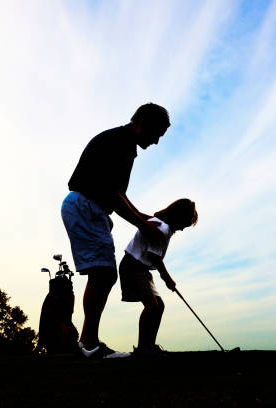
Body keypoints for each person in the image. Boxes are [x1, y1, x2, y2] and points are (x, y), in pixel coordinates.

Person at [61, 103, 170, 358]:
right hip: (86, 205)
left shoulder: (123, 143)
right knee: (103, 273)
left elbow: (118, 194)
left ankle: (88, 343)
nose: (155, 142)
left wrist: (142, 216)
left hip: (89, 207)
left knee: (104, 273)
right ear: (142, 123)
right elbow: (112, 192)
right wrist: (141, 223)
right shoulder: (120, 144)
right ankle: (88, 344)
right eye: (156, 134)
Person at [119, 198, 198, 356]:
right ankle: (143, 348)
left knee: (159, 306)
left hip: (142, 268)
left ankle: (150, 345)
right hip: (133, 267)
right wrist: (168, 279)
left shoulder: (163, 226)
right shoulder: (161, 228)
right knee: (152, 305)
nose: (182, 229)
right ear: (178, 217)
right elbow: (155, 258)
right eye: (185, 224)